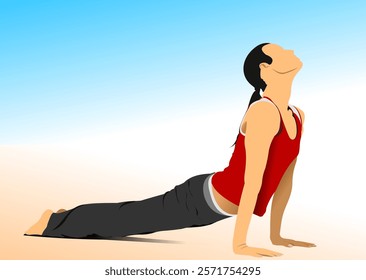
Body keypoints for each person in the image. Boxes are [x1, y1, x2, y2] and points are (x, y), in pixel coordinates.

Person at [25, 43, 316, 257]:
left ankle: (66, 217)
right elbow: (253, 180)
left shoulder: (297, 115)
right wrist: (239, 244)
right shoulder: (264, 113)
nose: (290, 50)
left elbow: (284, 178)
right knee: (129, 219)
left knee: (131, 216)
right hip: (202, 199)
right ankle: (52, 221)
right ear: (265, 69)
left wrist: (275, 235)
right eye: (281, 51)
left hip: (216, 203)